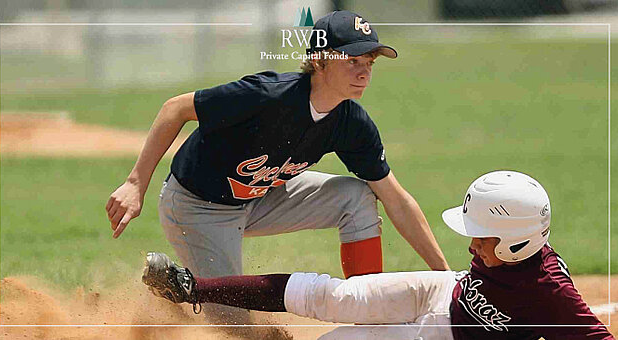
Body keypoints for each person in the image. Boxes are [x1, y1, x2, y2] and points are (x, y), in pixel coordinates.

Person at [106, 10, 450, 324]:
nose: (363, 72)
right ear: (319, 61)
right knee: (237, 327)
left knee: (357, 195)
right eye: (351, 59)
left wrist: (446, 280)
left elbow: (397, 200)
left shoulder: (351, 123)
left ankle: (368, 314)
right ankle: (176, 289)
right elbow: (174, 109)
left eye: (369, 62)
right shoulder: (268, 96)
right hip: (198, 207)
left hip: (260, 197)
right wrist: (135, 183)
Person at [142, 170, 615, 340]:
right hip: (442, 290)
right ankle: (190, 287)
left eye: (482, 237)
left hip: (444, 339)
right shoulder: (503, 251)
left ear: (517, 242)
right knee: (332, 296)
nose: (471, 244)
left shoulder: (550, 294)